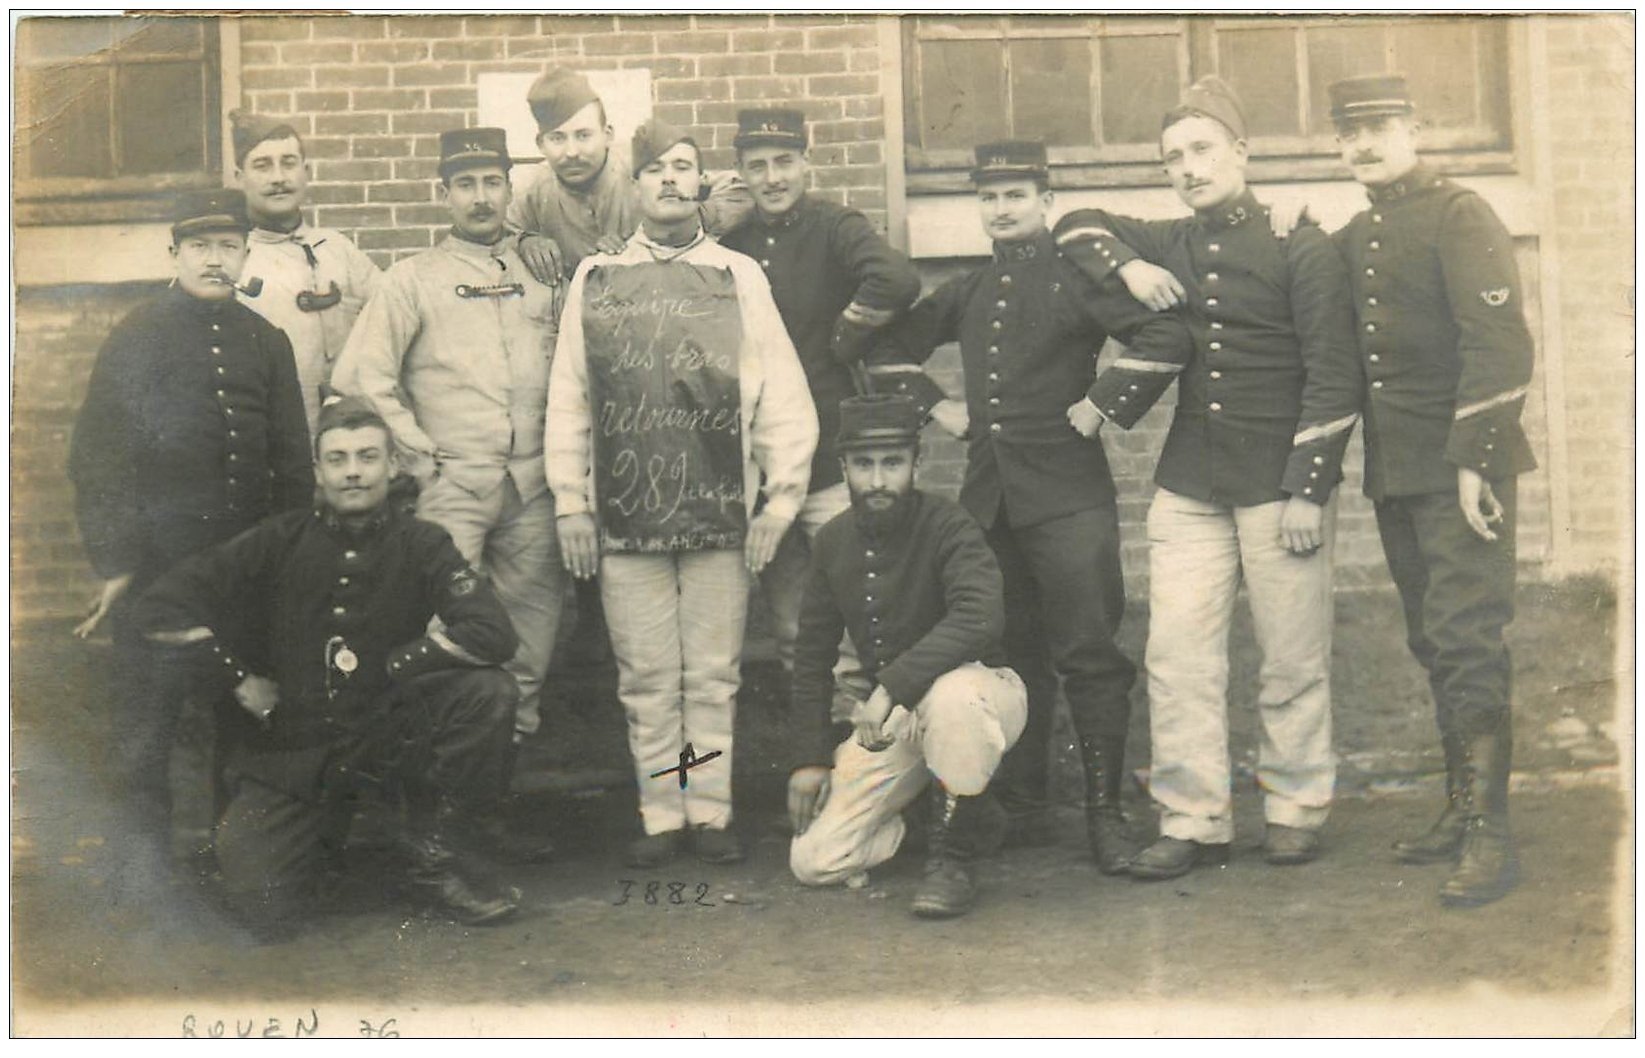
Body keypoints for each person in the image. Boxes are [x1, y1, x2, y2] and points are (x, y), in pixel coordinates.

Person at [1051, 78, 1363, 878]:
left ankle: (1294, 806)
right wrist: (1125, 267)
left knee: (1291, 658)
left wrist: (1307, 487)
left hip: (1277, 488)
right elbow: (1073, 224)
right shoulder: (1171, 242)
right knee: (1178, 656)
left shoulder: (1302, 245)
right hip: (1189, 484)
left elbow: (1333, 375)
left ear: (1240, 152)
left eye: (1201, 149)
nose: (1187, 168)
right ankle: (1192, 820)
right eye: (1171, 158)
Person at [869, 141, 1196, 874]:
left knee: (1087, 654)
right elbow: (886, 351)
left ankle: (1104, 817)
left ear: (1045, 200)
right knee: (1005, 655)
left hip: (1068, 495)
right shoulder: (969, 288)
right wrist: (936, 407)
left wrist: (1101, 405)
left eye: (1016, 194)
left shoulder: (1078, 275)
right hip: (989, 503)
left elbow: (1166, 334)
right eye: (989, 197)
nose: (1002, 208)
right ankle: (1024, 806)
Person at [133, 397, 523, 937]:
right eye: (337, 460)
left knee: (489, 692)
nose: (354, 472)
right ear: (318, 471)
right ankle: (321, 843)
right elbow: (160, 605)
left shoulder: (423, 543)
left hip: (389, 735)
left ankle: (435, 862)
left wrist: (396, 664)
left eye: (367, 457)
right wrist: (236, 678)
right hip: (295, 749)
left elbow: (494, 633)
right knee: (258, 905)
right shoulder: (277, 540)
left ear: (392, 465)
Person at [546, 119, 818, 869]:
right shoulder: (594, 280)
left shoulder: (738, 277)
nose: (669, 180)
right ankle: (662, 813)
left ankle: (710, 810)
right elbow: (570, 396)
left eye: (683, 168)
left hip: (719, 515)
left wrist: (779, 502)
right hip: (626, 514)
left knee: (710, 673)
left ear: (700, 184)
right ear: (632, 186)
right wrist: (571, 500)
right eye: (654, 169)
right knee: (646, 677)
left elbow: (784, 400)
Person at [1328, 74, 1536, 907]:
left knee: (1465, 637)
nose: (1365, 145)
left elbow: (1498, 344)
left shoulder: (1460, 215)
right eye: (1349, 134)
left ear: (1414, 126)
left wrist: (1473, 462)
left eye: (1379, 126)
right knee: (1431, 639)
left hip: (1461, 471)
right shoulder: (1356, 234)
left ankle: (1491, 836)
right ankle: (1461, 808)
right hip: (1398, 473)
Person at [68, 187, 312, 861]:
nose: (215, 260)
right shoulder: (137, 337)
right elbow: (98, 456)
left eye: (228, 246)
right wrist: (117, 560)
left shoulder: (267, 340)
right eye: (200, 247)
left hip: (245, 564)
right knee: (148, 722)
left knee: (244, 717)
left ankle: (232, 862)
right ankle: (143, 875)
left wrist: (289, 559)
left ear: (244, 253)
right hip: (160, 562)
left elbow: (292, 463)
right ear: (174, 253)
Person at [331, 127, 565, 754]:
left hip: (536, 486)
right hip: (453, 486)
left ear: (510, 189)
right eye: (465, 185)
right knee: (449, 633)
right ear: (445, 194)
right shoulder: (413, 279)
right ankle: (451, 783)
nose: (481, 197)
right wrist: (420, 458)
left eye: (492, 182)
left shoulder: (542, 270)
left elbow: (575, 367)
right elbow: (362, 377)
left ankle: (505, 775)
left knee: (529, 638)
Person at [787, 394, 1026, 919]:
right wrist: (808, 757)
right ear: (844, 468)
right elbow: (811, 655)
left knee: (952, 697)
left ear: (916, 464)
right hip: (896, 718)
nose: (877, 480)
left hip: (983, 693)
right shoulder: (832, 542)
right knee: (815, 861)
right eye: (863, 465)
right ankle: (939, 813)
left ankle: (952, 861)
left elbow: (979, 618)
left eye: (892, 463)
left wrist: (890, 687)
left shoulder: (950, 525)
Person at [720, 107, 923, 681]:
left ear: (806, 163)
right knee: (790, 620)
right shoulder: (731, 242)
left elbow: (898, 279)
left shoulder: (834, 227)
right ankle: (817, 742)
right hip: (760, 459)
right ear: (741, 173)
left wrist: (846, 335)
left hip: (832, 453)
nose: (773, 178)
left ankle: (868, 747)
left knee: (865, 610)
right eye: (757, 167)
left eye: (784, 161)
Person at [511, 66, 753, 283]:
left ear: (607, 134)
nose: (571, 151)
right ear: (540, 144)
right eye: (557, 138)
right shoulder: (531, 189)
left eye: (583, 135)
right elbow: (491, 234)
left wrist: (675, 218)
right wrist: (524, 241)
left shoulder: (644, 166)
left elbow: (740, 190)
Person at [230, 109, 382, 434]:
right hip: (271, 438)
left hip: (346, 441)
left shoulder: (339, 250)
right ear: (239, 177)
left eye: (288, 163)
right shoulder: (235, 260)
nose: (278, 178)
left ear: (306, 171)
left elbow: (390, 318)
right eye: (262, 165)